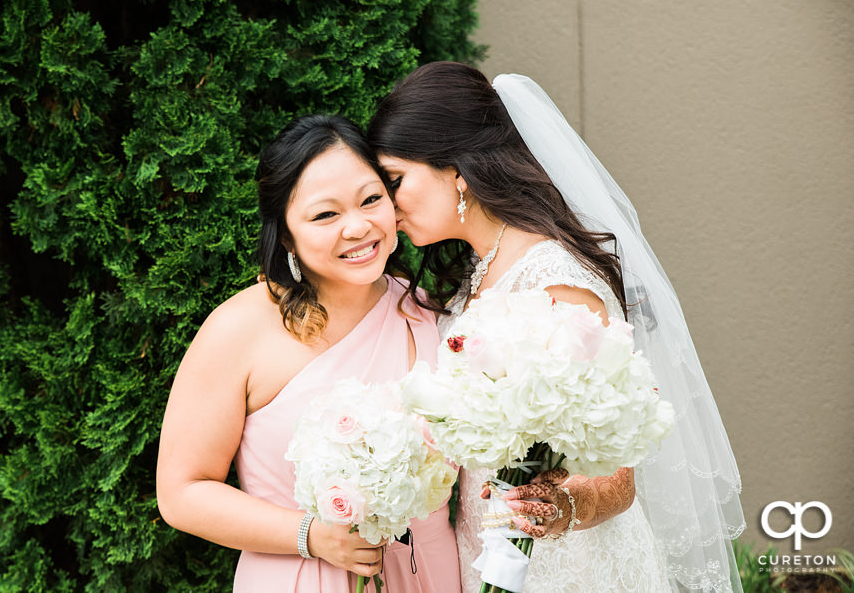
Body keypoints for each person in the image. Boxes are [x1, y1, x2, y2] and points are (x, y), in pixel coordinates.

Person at [367, 62, 745, 592]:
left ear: (456, 171)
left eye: (396, 181)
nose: (388, 205)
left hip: (567, 565)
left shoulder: (557, 282)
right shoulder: (475, 273)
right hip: (486, 548)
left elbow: (618, 474)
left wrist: (559, 508)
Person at [155, 115, 461, 592]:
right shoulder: (241, 328)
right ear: (285, 235)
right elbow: (181, 493)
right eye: (325, 215)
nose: (357, 227)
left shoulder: (434, 317)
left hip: (430, 575)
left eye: (371, 199)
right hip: (298, 576)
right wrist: (312, 536)